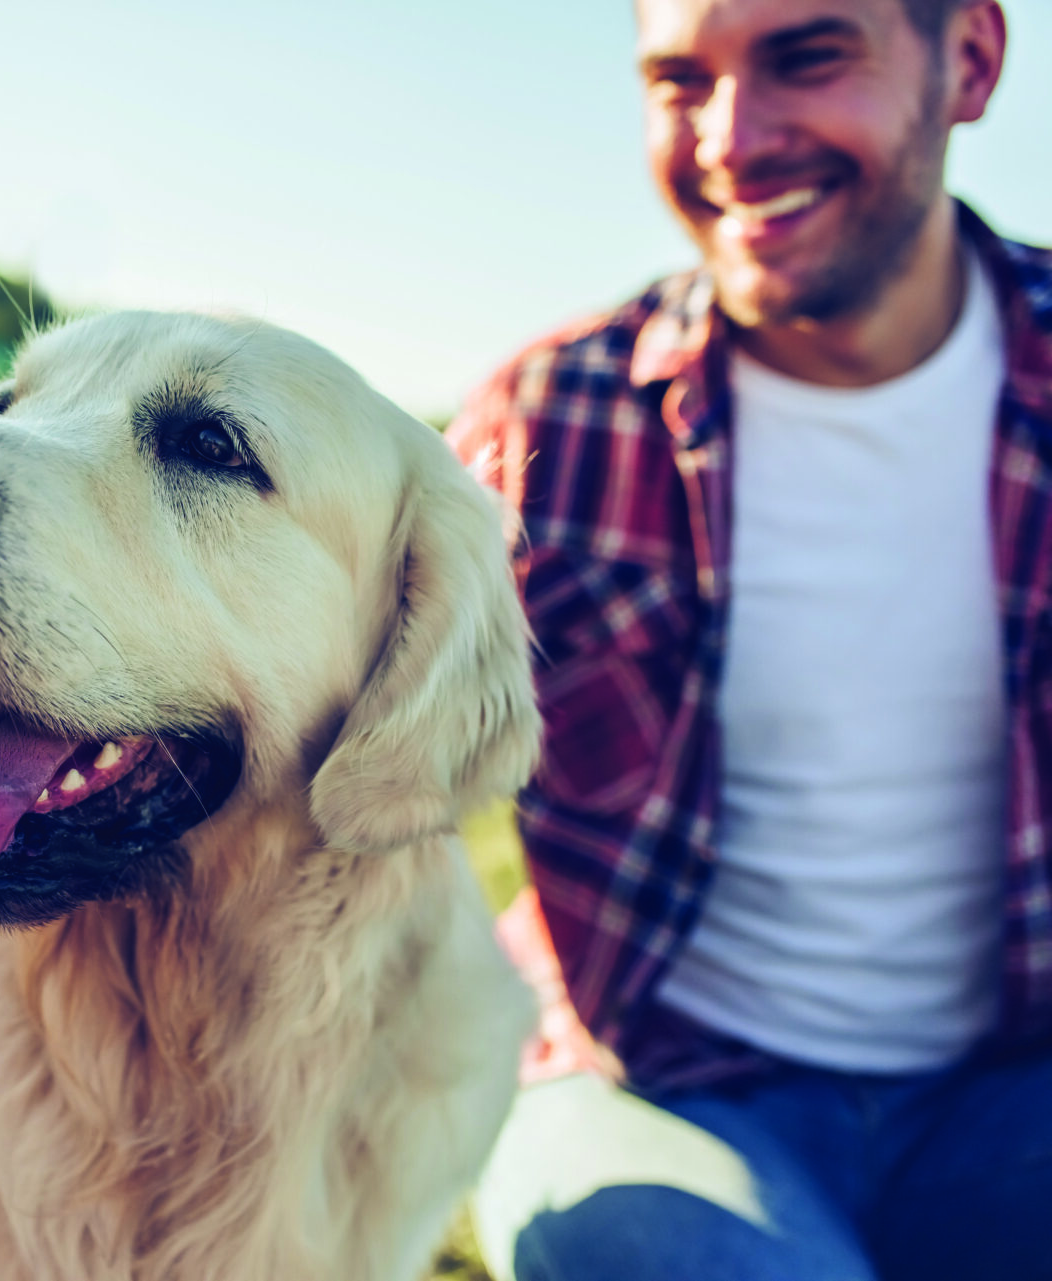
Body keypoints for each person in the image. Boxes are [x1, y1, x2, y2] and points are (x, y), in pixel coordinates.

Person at [447, 2, 1052, 1278]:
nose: (733, 136)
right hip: (651, 1087)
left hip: (1013, 1094)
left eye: (807, 55)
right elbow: (311, 758)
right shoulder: (549, 421)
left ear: (972, 62)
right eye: (681, 80)